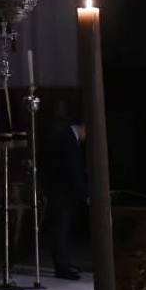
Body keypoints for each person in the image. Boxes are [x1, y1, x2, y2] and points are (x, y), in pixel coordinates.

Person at [40, 102, 86, 280]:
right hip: (60, 192)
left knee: (63, 229)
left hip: (60, 191)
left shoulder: (67, 137)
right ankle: (62, 267)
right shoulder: (67, 138)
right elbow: (71, 169)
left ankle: (64, 263)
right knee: (60, 229)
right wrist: (82, 193)